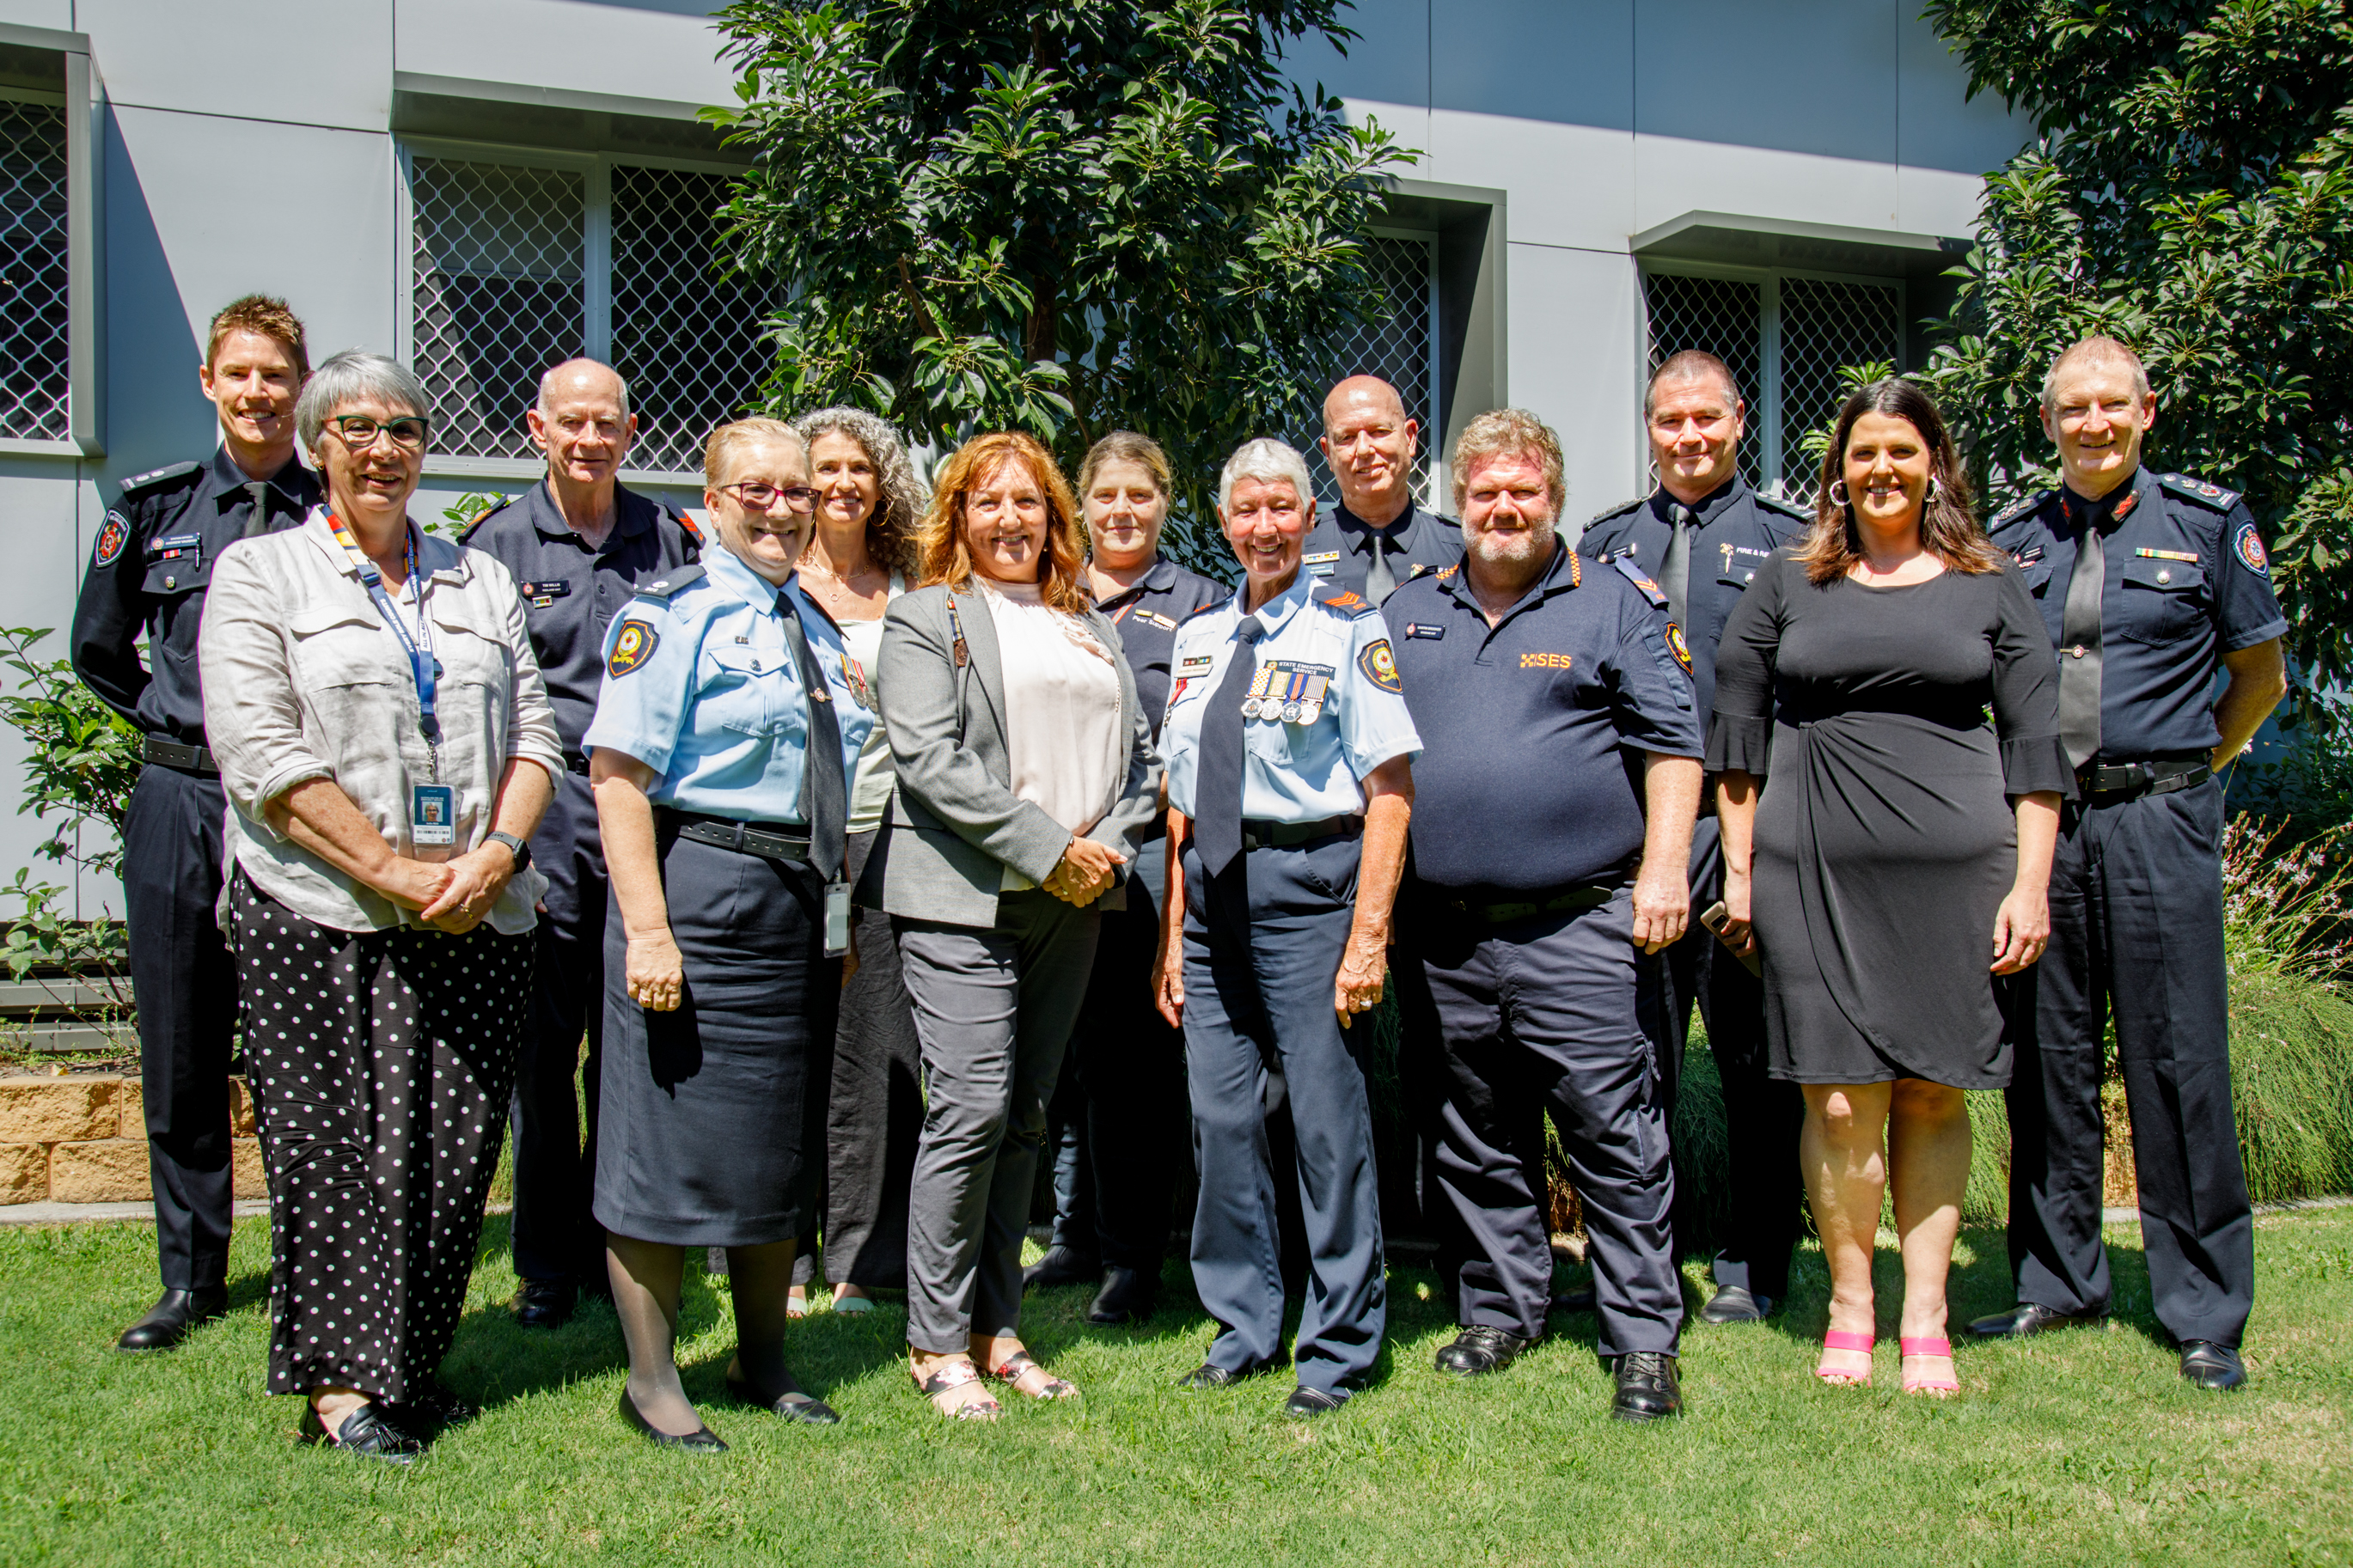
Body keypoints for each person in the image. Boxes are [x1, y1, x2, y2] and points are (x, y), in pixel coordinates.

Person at [199, 351, 562, 1459]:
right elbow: (261, 752)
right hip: (320, 907)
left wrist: (492, 856)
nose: (381, 447)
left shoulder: (476, 577)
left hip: (477, 907)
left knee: (452, 1153)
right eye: (355, 427)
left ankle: (406, 1365)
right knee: (333, 1149)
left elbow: (537, 733)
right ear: (317, 445)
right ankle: (343, 1390)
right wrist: (397, 875)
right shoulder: (263, 575)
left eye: (402, 428)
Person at [1711, 380, 2069, 1395]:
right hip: (1808, 864)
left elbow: (2035, 751)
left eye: (1901, 452)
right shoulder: (1786, 582)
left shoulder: (1989, 583)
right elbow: (1734, 738)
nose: (1881, 470)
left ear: (1933, 466)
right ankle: (1848, 1301)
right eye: (1863, 451)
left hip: (1958, 874)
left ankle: (1923, 1313)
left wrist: (2030, 885)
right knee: (1833, 1102)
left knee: (1928, 1090)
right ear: (1837, 468)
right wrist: (1737, 869)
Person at [1971, 337, 2289, 1392]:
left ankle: (2201, 1306)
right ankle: (2057, 1279)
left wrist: (2191, 766)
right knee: (2044, 1056)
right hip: (2045, 826)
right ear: (2047, 420)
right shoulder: (2013, 540)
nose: (2092, 424)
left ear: (2145, 411)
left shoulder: (2204, 521)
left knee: (2177, 1059)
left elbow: (2257, 678)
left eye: (2111, 406)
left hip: (2158, 817)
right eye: (2073, 409)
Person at [1385, 409, 1702, 1421]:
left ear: (1552, 500)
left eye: (1520, 491)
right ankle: (1501, 1307)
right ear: (1459, 503)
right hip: (1443, 932)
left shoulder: (1611, 602)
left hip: (1579, 925)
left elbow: (1673, 750)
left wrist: (1662, 876)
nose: (1502, 509)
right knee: (1474, 1130)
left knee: (1612, 1131)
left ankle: (1641, 1337)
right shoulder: (1407, 611)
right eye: (1482, 493)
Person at [582, 417, 871, 1448]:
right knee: (664, 1139)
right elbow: (616, 777)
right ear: (711, 499)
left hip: (796, 900)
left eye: (796, 491)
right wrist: (649, 933)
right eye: (757, 489)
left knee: (776, 1143)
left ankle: (762, 1359)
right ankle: (653, 1380)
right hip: (701, 889)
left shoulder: (818, 626)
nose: (781, 506)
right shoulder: (671, 612)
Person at [861, 431, 1160, 1420]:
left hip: (1074, 899)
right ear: (958, 515)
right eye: (987, 501)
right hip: (966, 896)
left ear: (1052, 517)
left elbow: (1142, 760)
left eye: (1027, 502)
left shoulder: (1086, 621)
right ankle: (934, 1340)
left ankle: (997, 1327)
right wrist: (1049, 847)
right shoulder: (925, 615)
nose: (1009, 519)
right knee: (972, 1106)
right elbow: (929, 759)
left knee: (1027, 1113)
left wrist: (1105, 846)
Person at [71, 296, 324, 1354]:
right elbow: (99, 647)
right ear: (211, 383)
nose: (260, 392)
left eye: (277, 374)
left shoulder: (335, 511)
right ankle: (190, 1277)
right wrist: (184, 729)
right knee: (180, 1040)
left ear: (300, 387)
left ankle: (315, 1266)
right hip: (181, 796)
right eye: (242, 373)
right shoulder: (157, 508)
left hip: (302, 807)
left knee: (300, 1046)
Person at [1157, 437, 1420, 1418]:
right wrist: (1170, 932)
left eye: (1281, 507)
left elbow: (1389, 791)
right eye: (1245, 509)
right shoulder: (1196, 638)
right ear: (1223, 523)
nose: (1263, 525)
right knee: (1222, 1121)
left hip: (1310, 890)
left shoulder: (1352, 628)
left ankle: (1339, 1345)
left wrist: (1368, 935)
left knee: (1324, 1124)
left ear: (1308, 518)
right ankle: (1243, 1324)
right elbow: (1181, 801)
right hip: (1209, 898)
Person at [460, 358, 702, 1330]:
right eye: (571, 422)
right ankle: (546, 1260)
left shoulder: (672, 540)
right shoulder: (492, 547)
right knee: (544, 1053)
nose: (589, 438)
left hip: (647, 817)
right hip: (553, 814)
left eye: (606, 422)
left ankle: (621, 1247)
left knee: (633, 1050)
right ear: (538, 427)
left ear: (630, 430)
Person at [1580, 351, 1811, 1325]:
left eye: (1704, 419)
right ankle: (1646, 1261)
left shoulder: (1795, 542)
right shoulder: (1602, 542)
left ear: (1735, 420)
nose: (1687, 437)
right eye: (1669, 420)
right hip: (1633, 830)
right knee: (1642, 1061)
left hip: (1746, 822)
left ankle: (1755, 1263)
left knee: (1757, 1058)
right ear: (1648, 427)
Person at [1025, 432, 1229, 1323]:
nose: (1120, 510)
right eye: (1104, 494)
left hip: (1146, 852)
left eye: (1138, 495)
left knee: (1128, 1063)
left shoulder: (1200, 604)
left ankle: (1132, 1254)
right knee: (1061, 1056)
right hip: (1040, 849)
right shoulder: (1043, 590)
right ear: (1081, 501)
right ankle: (1070, 1233)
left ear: (1164, 502)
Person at [782, 405, 926, 1319]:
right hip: (781, 840)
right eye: (821, 468)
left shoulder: (909, 587)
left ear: (880, 484)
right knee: (784, 1040)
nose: (840, 484)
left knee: (878, 1049)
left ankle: (862, 1260)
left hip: (882, 837)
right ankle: (778, 1250)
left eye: (857, 469)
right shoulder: (765, 578)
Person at [1302, 375, 1461, 605]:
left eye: (1379, 431)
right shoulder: (1297, 552)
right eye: (1347, 437)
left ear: (1410, 438)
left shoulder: (1461, 551)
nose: (1364, 449)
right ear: (1328, 453)